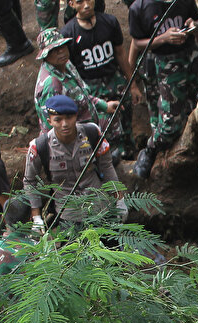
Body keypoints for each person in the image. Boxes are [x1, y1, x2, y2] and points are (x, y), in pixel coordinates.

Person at [128, 0, 198, 179]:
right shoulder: (139, 8)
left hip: (191, 58)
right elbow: (137, 43)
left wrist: (195, 28)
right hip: (163, 63)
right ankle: (150, 149)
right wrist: (163, 38)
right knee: (170, 122)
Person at [62, 0, 142, 159]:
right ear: (71, 4)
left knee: (126, 125)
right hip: (91, 87)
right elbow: (70, 69)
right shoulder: (68, 33)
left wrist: (133, 85)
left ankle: (130, 156)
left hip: (116, 81)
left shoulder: (109, 22)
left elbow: (121, 54)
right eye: (80, 1)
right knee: (102, 131)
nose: (86, 5)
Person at [23, 94, 125, 232]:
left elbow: (106, 166)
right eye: (58, 120)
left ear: (76, 116)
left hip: (100, 208)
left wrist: (119, 200)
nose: (64, 124)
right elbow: (29, 180)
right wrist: (36, 216)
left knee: (111, 251)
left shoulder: (92, 133)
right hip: (68, 215)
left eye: (69, 118)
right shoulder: (39, 146)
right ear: (49, 121)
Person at [33, 28, 123, 154]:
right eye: (54, 50)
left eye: (62, 47)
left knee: (112, 116)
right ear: (45, 55)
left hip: (86, 120)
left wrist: (103, 105)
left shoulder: (66, 65)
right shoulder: (52, 85)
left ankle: (109, 155)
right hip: (70, 138)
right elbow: (55, 128)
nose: (61, 52)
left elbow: (81, 94)